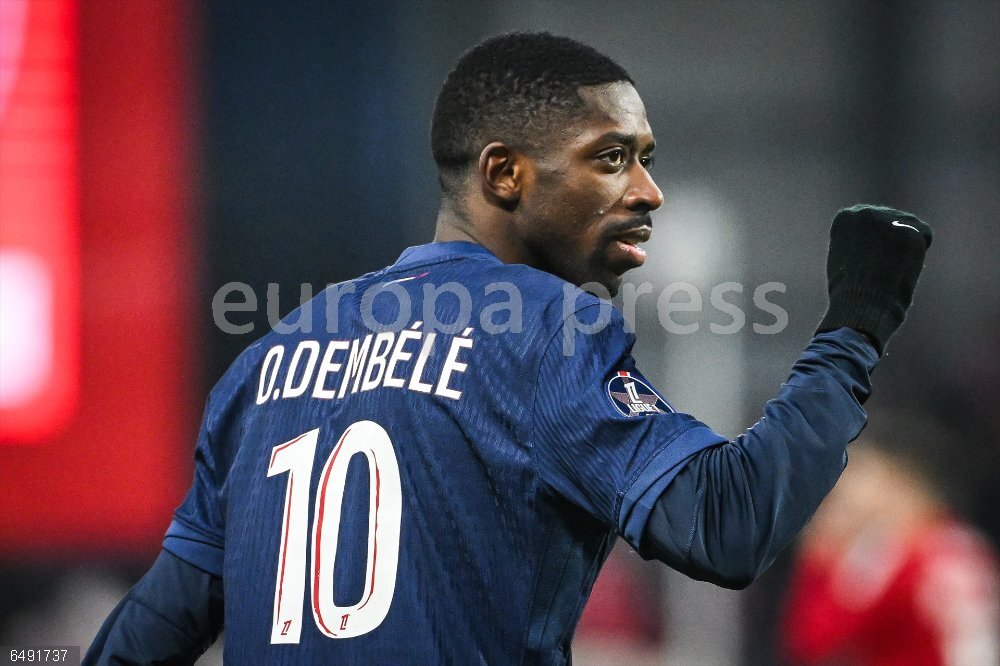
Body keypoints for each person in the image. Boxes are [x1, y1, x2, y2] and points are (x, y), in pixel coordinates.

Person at [84, 32, 933, 664]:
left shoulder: (266, 362)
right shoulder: (541, 328)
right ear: (504, 175)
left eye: (645, 159)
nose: (650, 191)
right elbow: (726, 523)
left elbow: (142, 643)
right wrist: (854, 327)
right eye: (611, 159)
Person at [781, 413, 1000, 666]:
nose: (847, 492)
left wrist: (820, 563)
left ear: (897, 480)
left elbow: (814, 639)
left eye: (861, 474)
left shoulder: (896, 551)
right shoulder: (958, 543)